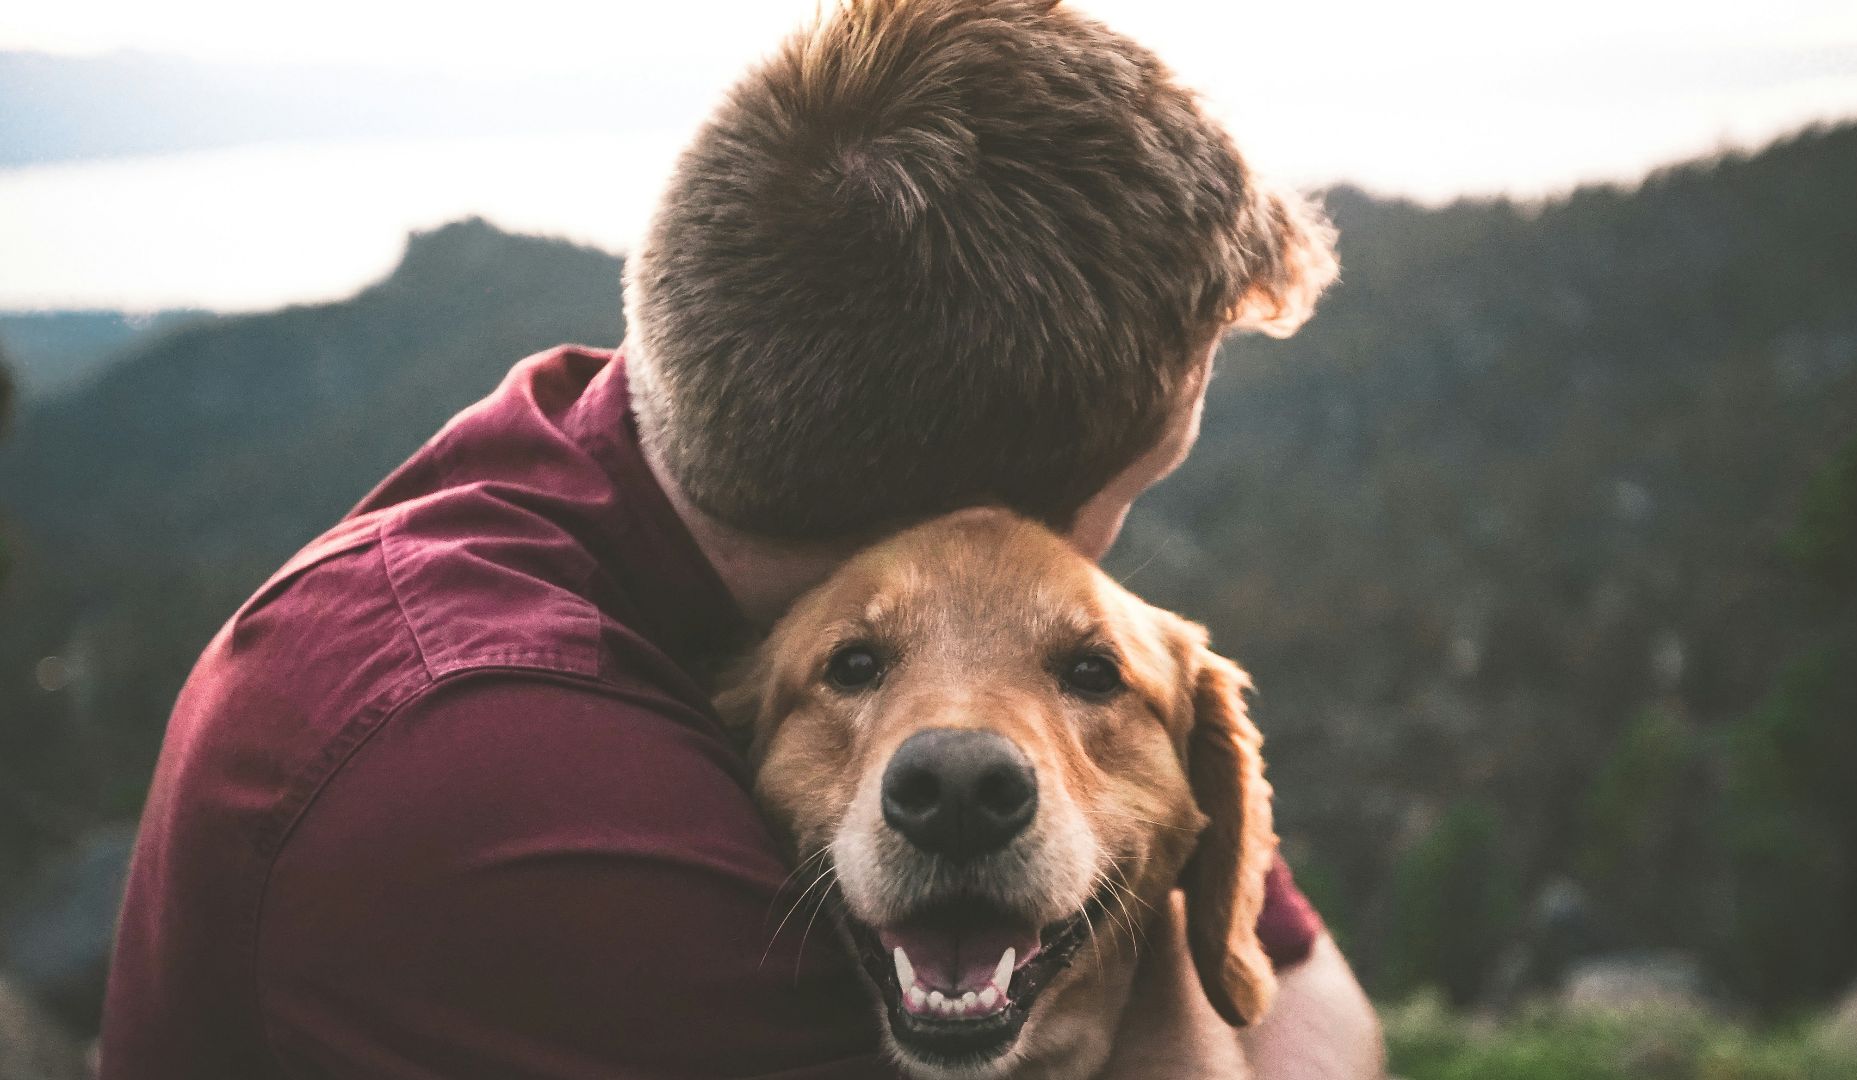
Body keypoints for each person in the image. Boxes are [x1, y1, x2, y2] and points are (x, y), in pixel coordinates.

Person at [99, 1, 1381, 1076]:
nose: (1085, 567)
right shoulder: (505, 790)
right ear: (976, 523)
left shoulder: (663, 437)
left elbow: (1313, 1000)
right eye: (1137, 485)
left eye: (1081, 662)